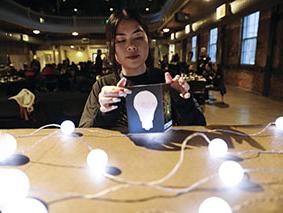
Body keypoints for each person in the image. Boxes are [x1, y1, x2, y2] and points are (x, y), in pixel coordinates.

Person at [79, 9, 206, 131]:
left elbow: (199, 127)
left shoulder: (167, 81)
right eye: (121, 40)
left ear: (148, 41)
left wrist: (184, 101)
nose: (131, 46)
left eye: (138, 37)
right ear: (113, 49)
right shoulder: (103, 85)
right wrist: (104, 113)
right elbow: (85, 132)